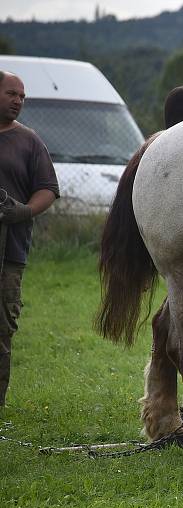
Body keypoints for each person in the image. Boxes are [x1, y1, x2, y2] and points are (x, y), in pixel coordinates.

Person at [0, 71, 59, 406]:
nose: (18, 101)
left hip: (10, 252)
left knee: (2, 328)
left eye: (22, 97)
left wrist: (23, 211)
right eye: (11, 94)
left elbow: (48, 189)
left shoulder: (29, 141)